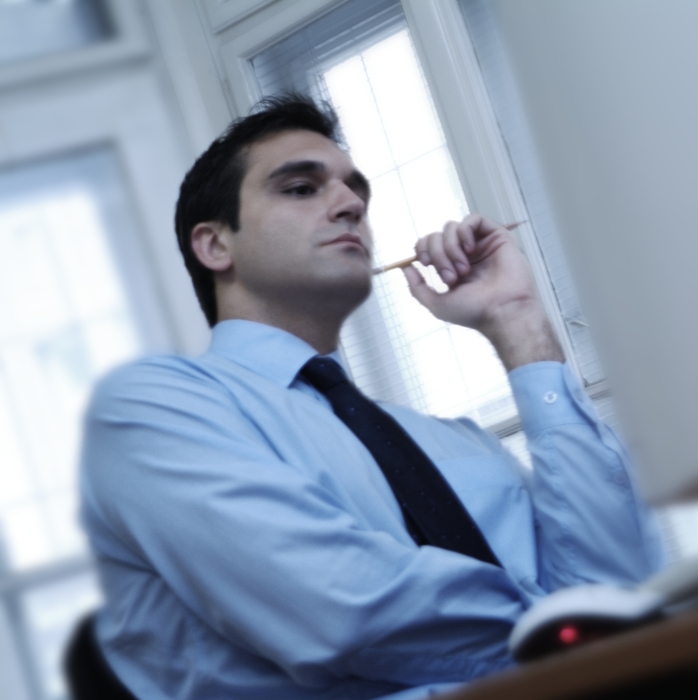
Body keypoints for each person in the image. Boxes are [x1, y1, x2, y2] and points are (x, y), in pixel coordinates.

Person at [79, 94, 662, 699]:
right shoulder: (151, 410)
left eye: (358, 192)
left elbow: (612, 580)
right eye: (302, 188)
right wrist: (573, 635)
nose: (351, 204)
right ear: (215, 246)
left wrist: (518, 326)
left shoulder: (455, 441)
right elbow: (339, 608)